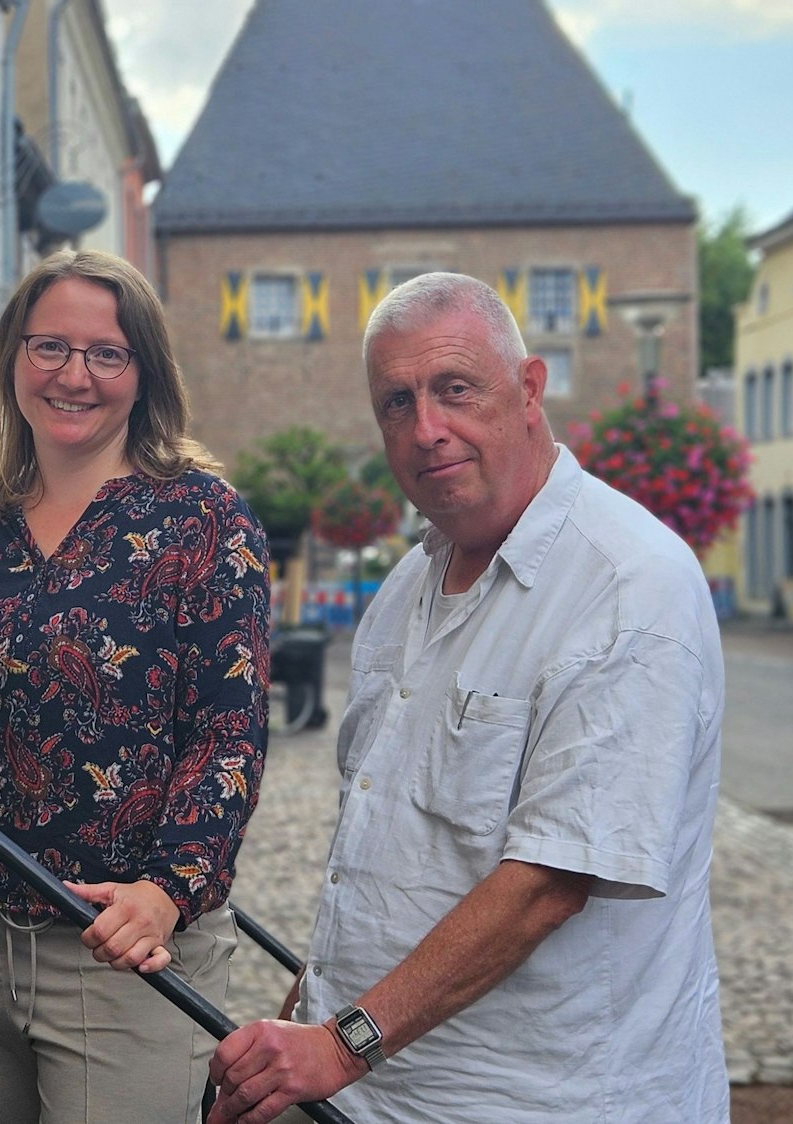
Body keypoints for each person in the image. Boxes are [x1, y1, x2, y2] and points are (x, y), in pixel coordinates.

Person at [208, 272, 728, 1123]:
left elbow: (548, 883)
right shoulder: (407, 586)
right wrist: (310, 1016)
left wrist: (339, 1044)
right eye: (395, 403)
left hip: (545, 1101)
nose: (426, 429)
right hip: (381, 1094)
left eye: (454, 389)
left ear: (527, 390)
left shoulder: (627, 585)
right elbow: (377, 854)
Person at [0, 249, 270, 1123]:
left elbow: (228, 737)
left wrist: (169, 890)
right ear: (13, 358)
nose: (74, 375)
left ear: (144, 375)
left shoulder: (202, 521)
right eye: (49, 346)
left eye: (107, 353)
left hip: (125, 952)